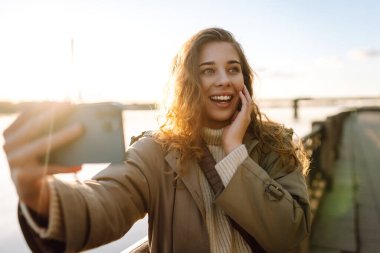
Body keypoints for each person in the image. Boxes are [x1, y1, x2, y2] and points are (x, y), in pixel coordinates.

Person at [3, 27, 311, 253]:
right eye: (208, 71)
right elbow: (107, 201)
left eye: (233, 69)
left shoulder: (276, 145)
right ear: (188, 83)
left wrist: (234, 152)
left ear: (245, 80)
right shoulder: (157, 151)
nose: (224, 80)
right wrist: (39, 196)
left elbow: (290, 235)